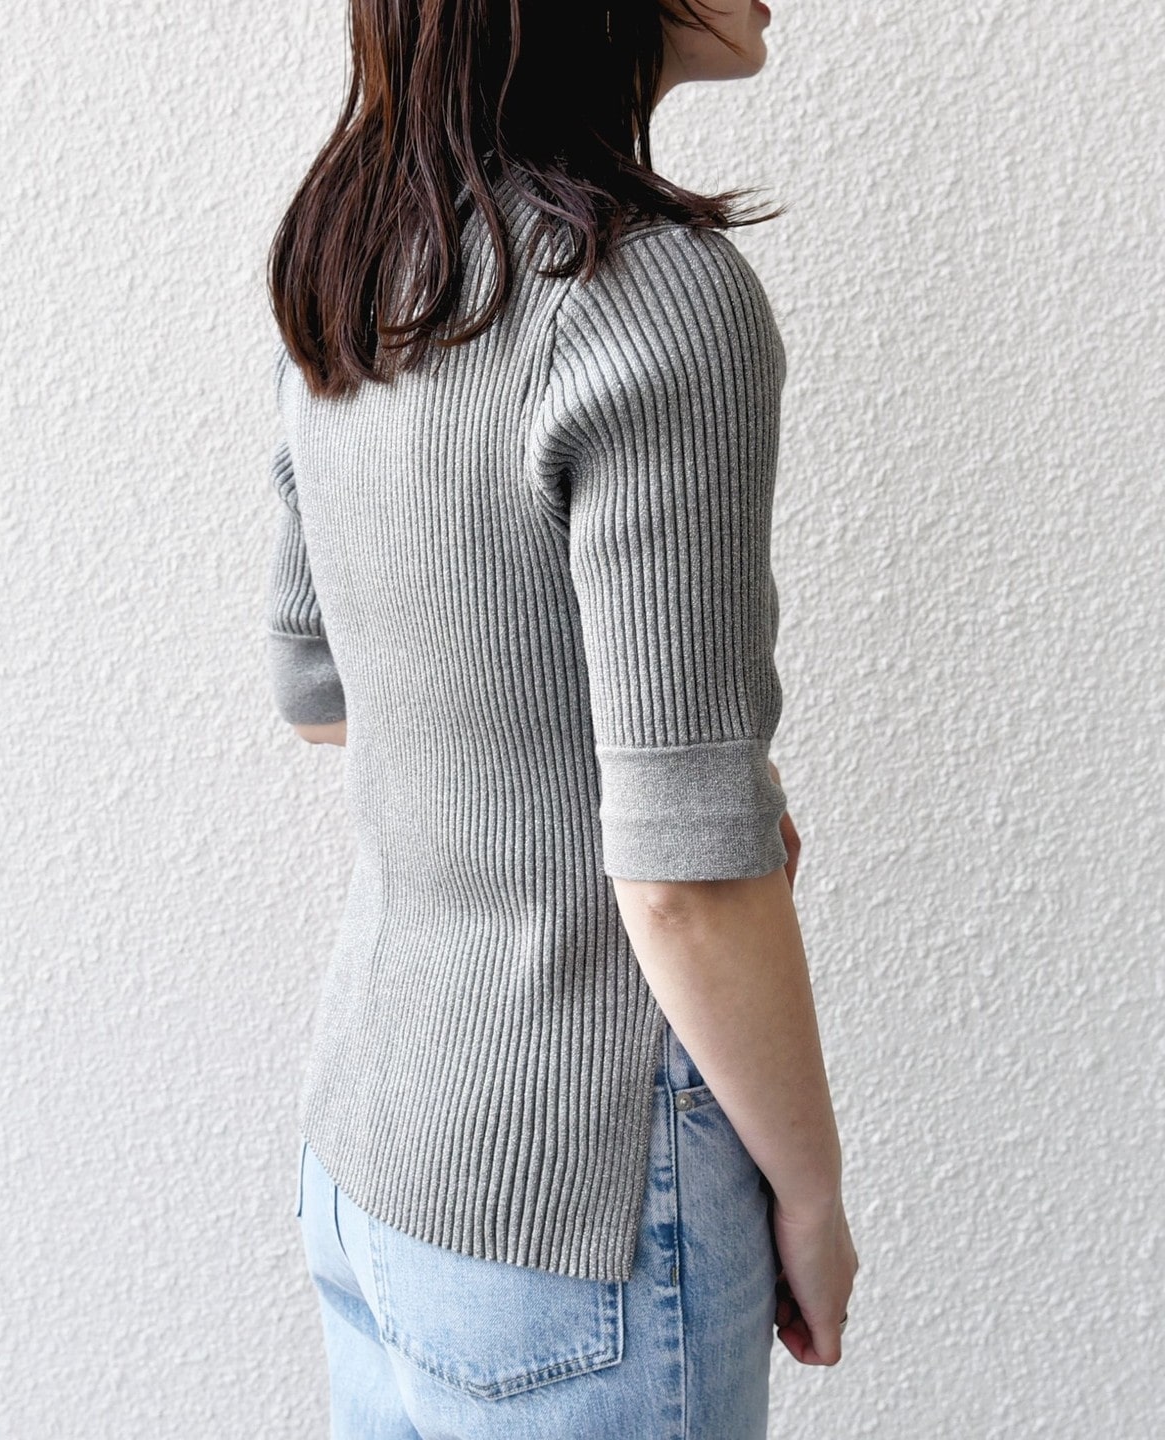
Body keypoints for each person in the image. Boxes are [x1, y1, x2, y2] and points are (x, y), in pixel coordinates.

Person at [263, 0, 858, 1433]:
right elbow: (685, 886)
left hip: (371, 1164)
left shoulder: (358, 251)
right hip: (581, 1207)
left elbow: (316, 687)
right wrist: (813, 1194)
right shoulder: (656, 299)